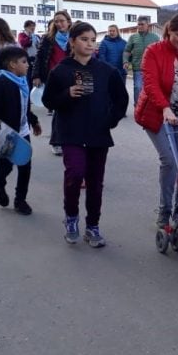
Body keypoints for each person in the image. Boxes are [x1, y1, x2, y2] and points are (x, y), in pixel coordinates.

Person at [42, 21, 129, 247]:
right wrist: (67, 94)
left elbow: (122, 100)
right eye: (84, 39)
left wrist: (110, 121)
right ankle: (71, 218)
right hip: (71, 132)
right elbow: (48, 101)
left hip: (98, 134)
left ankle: (93, 226)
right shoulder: (61, 70)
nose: (89, 44)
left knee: (95, 182)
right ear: (72, 41)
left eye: (92, 40)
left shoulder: (106, 71)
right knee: (75, 175)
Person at [135, 14, 178, 228]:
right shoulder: (153, 51)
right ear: (169, 32)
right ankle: (165, 213)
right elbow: (150, 83)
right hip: (156, 115)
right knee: (170, 163)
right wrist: (164, 108)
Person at [0, 46, 42, 215]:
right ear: (12, 65)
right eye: (23, 62)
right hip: (5, 134)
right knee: (5, 166)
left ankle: (20, 200)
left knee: (25, 165)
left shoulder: (22, 81)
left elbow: (24, 107)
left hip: (22, 132)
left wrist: (34, 121)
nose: (28, 65)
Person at [33, 11, 72, 155]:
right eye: (56, 21)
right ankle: (56, 142)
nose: (59, 24)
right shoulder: (48, 38)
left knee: (72, 110)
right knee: (59, 110)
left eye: (62, 21)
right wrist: (36, 75)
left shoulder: (74, 38)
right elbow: (39, 57)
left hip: (70, 78)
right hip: (53, 78)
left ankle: (71, 140)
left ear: (68, 21)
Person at [123, 16, 158, 106]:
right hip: (137, 67)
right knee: (138, 87)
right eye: (138, 24)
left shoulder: (155, 37)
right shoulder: (133, 37)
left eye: (142, 24)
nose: (140, 26)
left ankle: (149, 108)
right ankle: (138, 106)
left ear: (148, 25)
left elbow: (159, 52)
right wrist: (125, 61)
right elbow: (127, 50)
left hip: (152, 68)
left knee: (151, 89)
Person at [17, 20, 41, 88]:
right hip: (27, 59)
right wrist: (30, 36)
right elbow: (23, 43)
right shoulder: (22, 35)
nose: (32, 28)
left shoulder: (37, 37)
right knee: (27, 77)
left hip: (36, 59)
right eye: (30, 26)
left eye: (33, 26)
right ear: (25, 27)